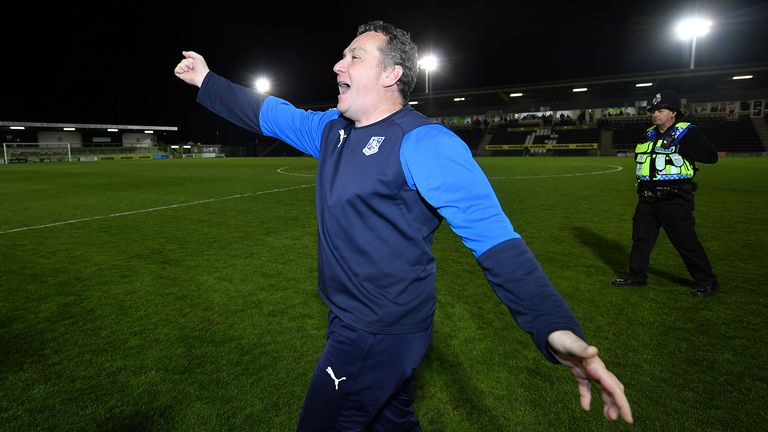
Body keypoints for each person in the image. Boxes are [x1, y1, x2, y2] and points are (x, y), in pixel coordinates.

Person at [175, 20, 633, 430]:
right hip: (348, 316)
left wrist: (553, 326)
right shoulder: (331, 130)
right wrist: (207, 80)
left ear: (391, 75)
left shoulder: (425, 142)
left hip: (378, 329)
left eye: (355, 56)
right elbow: (268, 113)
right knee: (391, 421)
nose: (338, 65)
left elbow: (495, 241)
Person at [612, 90, 719, 297]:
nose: (655, 114)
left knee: (686, 242)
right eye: (653, 110)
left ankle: (707, 281)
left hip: (675, 198)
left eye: (660, 110)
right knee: (641, 239)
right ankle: (636, 276)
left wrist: (680, 148)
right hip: (647, 197)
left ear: (673, 113)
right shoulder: (649, 133)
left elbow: (711, 156)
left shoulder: (688, 131)